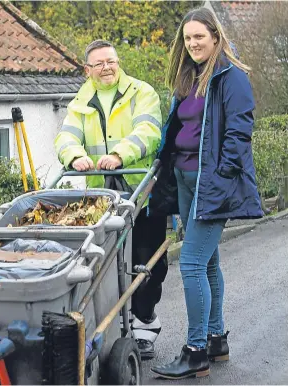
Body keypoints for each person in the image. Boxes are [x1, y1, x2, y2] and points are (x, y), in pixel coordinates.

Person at [150, 7, 263, 379]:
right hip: (183, 179)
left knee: (193, 263)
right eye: (187, 38)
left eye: (199, 36)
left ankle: (195, 349)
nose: (193, 43)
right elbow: (176, 126)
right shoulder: (189, 75)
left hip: (211, 183)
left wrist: (219, 178)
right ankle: (216, 340)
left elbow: (238, 134)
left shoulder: (232, 78)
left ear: (215, 36)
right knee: (209, 261)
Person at [54, 39, 168, 359]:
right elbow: (66, 136)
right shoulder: (81, 101)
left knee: (146, 264)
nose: (107, 68)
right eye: (100, 63)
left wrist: (120, 154)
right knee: (105, 268)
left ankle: (145, 325)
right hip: (102, 200)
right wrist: (75, 155)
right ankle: (110, 326)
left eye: (112, 61)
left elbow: (148, 131)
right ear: (87, 70)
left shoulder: (140, 92)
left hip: (140, 191)